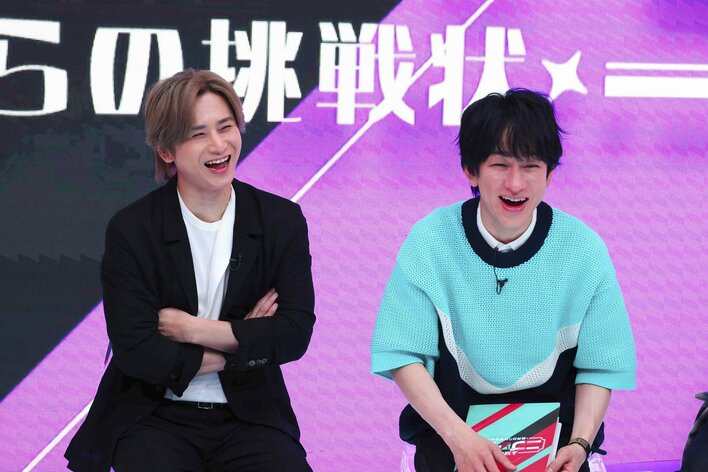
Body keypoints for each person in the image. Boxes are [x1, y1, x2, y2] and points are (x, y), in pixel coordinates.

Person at [371, 89, 636, 472]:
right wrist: (461, 441)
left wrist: (580, 444)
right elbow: (404, 355)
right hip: (449, 442)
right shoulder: (430, 240)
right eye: (500, 165)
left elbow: (599, 365)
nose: (515, 183)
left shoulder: (583, 249)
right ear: (471, 170)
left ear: (550, 173)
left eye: (531, 166)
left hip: (559, 449)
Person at [65, 69, 315, 471]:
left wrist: (192, 329)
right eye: (198, 134)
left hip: (251, 415)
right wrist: (245, 342)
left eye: (226, 127)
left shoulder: (280, 220)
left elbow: (292, 335)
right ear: (167, 151)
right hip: (153, 415)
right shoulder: (134, 229)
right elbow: (138, 352)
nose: (219, 145)